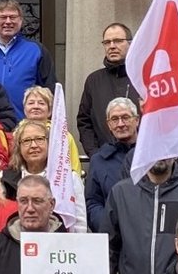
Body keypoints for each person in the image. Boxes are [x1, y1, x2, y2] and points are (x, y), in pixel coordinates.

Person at [1, 121, 87, 232]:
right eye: (27, 141)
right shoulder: (6, 179)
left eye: (39, 139)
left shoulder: (69, 178)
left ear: (50, 144)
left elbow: (80, 224)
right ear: (19, 147)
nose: (33, 145)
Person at [0, 0, 56, 119]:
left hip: (26, 128)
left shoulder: (36, 50)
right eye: (3, 17)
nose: (8, 21)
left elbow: (50, 91)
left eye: (13, 17)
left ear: (21, 20)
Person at [76, 23, 140, 157]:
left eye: (118, 41)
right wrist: (95, 153)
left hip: (141, 158)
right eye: (107, 42)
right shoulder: (94, 81)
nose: (112, 46)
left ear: (130, 43)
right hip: (106, 160)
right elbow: (84, 121)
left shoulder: (143, 78)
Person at [85, 98, 139, 232]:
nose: (120, 124)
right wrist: (109, 226)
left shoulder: (149, 155)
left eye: (125, 117)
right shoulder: (99, 160)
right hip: (112, 237)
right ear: (109, 125)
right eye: (114, 119)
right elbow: (92, 203)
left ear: (136, 120)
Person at [20, 86, 80, 172]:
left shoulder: (63, 135)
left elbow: (74, 167)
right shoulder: (17, 135)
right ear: (25, 110)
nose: (36, 106)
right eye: (31, 103)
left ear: (50, 111)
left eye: (41, 103)